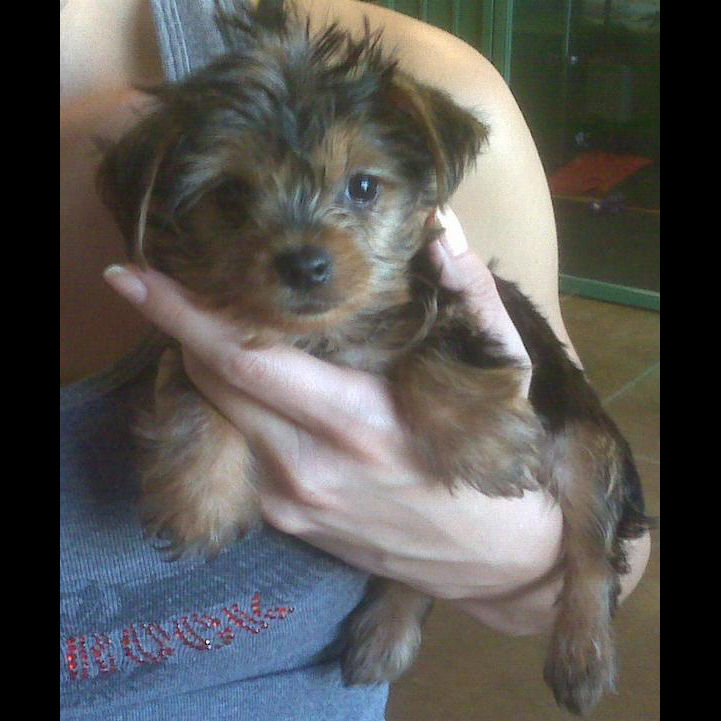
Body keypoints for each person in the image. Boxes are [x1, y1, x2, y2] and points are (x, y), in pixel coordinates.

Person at [60, 1, 651, 719]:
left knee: (579, 451)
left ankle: (525, 592)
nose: (306, 250)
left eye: (361, 189)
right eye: (235, 198)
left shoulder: (447, 80)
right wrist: (198, 425)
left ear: (427, 186)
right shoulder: (158, 161)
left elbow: (524, 409)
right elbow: (198, 380)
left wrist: (514, 554)